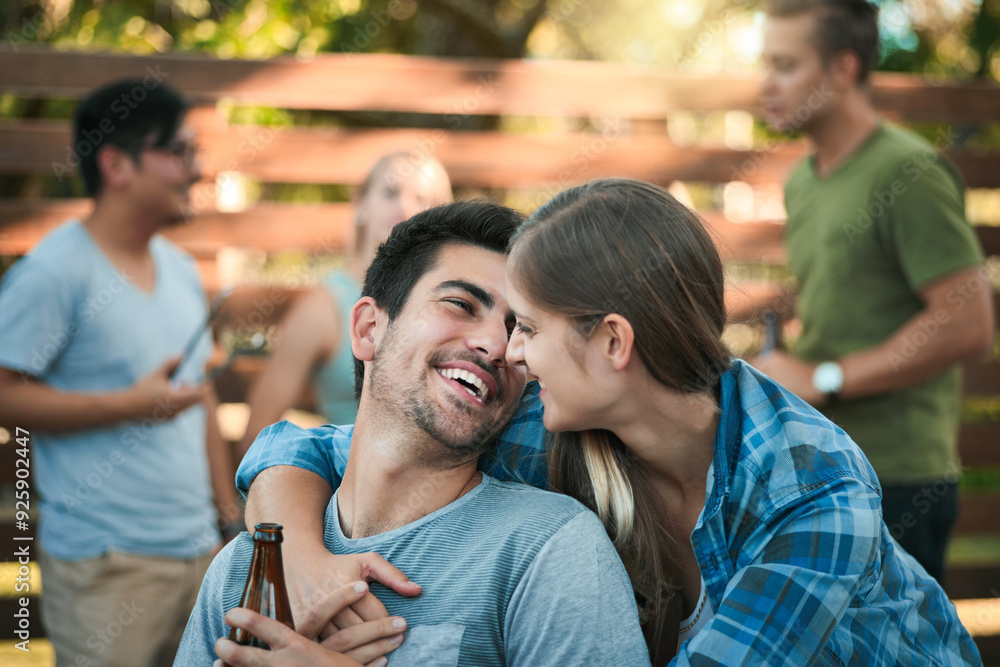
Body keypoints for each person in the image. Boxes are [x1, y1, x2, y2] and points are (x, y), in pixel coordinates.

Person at [233, 179, 981, 665]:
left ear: (613, 342)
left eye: (527, 325)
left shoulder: (814, 490)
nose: (508, 351)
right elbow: (314, 444)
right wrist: (295, 550)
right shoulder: (556, 423)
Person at [176, 200, 651, 666]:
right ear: (368, 329)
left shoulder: (550, 551)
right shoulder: (250, 568)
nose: (498, 346)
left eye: (519, 328)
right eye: (461, 304)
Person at [751, 0, 995, 584]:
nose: (766, 83)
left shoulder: (908, 173)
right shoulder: (803, 182)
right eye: (766, 64)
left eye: (785, 65)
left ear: (842, 68)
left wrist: (826, 378)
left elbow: (969, 323)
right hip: (824, 469)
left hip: (900, 479)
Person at [0, 80, 237, 666]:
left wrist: (228, 518)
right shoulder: (54, 272)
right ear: (116, 164)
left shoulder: (180, 270)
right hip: (108, 569)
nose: (196, 170)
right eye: (180, 152)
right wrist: (131, 404)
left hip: (201, 557)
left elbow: (195, 394)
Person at [236, 151, 452, 458]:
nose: (404, 207)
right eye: (390, 193)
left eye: (422, 199)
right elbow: (256, 436)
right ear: (360, 205)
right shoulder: (324, 308)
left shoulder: (454, 308)